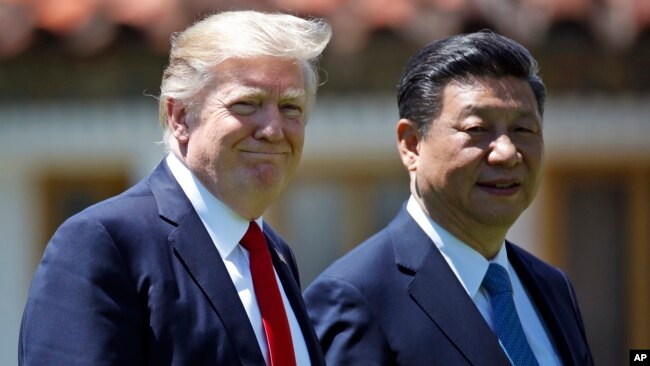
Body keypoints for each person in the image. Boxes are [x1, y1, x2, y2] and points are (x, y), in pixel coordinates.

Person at [19, 11, 331, 365]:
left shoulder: (274, 253)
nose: (273, 129)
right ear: (180, 116)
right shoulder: (103, 244)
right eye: (247, 104)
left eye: (291, 107)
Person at [304, 30, 593, 365]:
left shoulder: (552, 288)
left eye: (523, 130)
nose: (507, 152)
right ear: (411, 144)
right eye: (477, 130)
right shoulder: (357, 297)